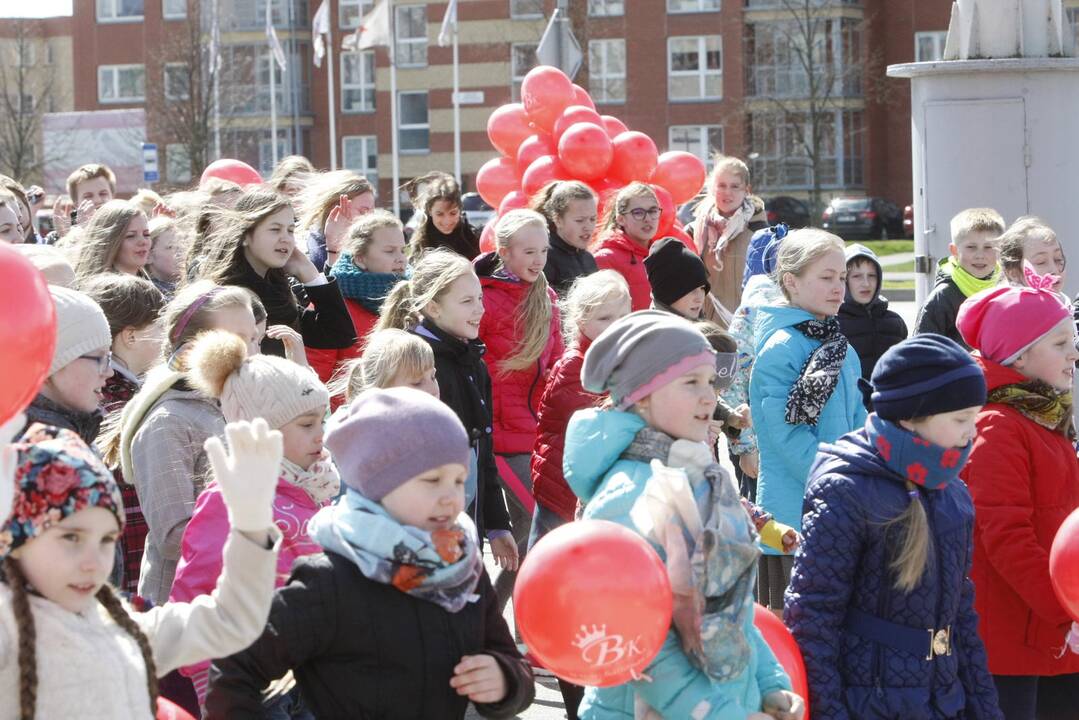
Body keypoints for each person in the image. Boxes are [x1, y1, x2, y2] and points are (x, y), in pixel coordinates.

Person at [205, 388, 536, 719]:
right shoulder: (330, 581)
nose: (451, 497)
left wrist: (505, 678)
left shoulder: (461, 565)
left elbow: (509, 658)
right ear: (379, 485)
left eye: (458, 479)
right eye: (432, 480)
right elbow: (236, 667)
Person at [564, 311, 804, 719]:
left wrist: (769, 685)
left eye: (710, 381)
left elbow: (733, 611)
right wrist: (723, 714)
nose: (710, 397)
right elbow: (638, 645)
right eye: (690, 382)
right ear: (641, 395)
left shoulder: (700, 477)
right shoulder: (630, 495)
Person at [0, 419, 285, 719]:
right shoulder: (7, 630)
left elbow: (231, 620)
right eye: (71, 537)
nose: (94, 562)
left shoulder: (123, 627)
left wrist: (250, 525)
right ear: (16, 538)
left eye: (107, 540)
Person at [785, 335, 1001, 719]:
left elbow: (961, 616)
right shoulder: (845, 490)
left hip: (943, 702)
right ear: (909, 417)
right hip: (869, 704)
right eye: (960, 419)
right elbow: (813, 618)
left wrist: (985, 708)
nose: (973, 432)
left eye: (975, 416)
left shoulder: (951, 492)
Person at [170, 330, 337, 709]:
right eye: (306, 425)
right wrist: (206, 672)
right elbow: (198, 582)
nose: (320, 435)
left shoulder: (315, 486)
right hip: (250, 671)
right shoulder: (231, 495)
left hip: (309, 664)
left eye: (321, 422)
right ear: (262, 429)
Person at [956, 279, 1079, 719]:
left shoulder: (1040, 413)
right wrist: (1064, 610)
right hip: (1014, 643)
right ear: (1020, 355)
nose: (1074, 355)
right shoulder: (998, 424)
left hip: (1052, 634)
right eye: (1061, 343)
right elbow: (1005, 536)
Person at [116, 282, 261, 606]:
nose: (250, 352)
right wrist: (262, 527)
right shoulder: (168, 422)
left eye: (253, 338)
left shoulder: (232, 405)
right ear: (191, 348)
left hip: (236, 596)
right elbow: (172, 535)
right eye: (235, 340)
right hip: (183, 606)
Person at [379, 249, 517, 571]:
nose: (480, 310)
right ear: (433, 306)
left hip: (466, 524)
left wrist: (496, 523)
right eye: (467, 301)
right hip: (428, 533)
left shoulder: (473, 362)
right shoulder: (417, 365)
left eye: (480, 299)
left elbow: (483, 450)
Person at [751, 229, 866, 609]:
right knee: (796, 633)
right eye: (826, 277)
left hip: (839, 506)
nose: (839, 288)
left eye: (842, 277)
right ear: (791, 282)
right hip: (792, 519)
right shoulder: (781, 349)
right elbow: (787, 437)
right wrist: (838, 479)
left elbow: (858, 419)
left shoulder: (839, 347)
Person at [474, 209, 563, 610]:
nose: (538, 260)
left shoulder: (547, 298)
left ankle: (498, 619)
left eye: (543, 250)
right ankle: (499, 618)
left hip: (537, 433)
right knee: (529, 533)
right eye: (528, 251)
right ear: (504, 251)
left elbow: (558, 361)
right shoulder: (482, 299)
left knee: (536, 534)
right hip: (499, 435)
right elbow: (475, 366)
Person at [196, 187, 355, 358]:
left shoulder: (278, 289)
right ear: (245, 236)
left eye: (290, 230)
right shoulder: (228, 297)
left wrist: (310, 274)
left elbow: (340, 334)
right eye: (275, 229)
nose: (285, 238)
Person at [307, 209, 408, 387]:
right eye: (390, 251)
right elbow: (313, 378)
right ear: (360, 258)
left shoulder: (415, 300)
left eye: (402, 250)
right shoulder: (330, 303)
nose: (401, 258)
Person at [726, 225, 788, 498]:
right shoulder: (758, 314)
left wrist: (744, 448)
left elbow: (731, 388)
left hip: (771, 440)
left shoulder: (750, 314)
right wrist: (747, 448)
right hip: (771, 440)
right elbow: (734, 385)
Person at [22, 286, 113, 445]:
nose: (109, 372)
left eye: (109, 358)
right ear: (50, 363)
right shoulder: (42, 449)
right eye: (99, 358)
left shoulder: (75, 429)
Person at [691, 154, 768, 325]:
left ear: (746, 190)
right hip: (706, 326)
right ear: (713, 188)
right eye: (722, 186)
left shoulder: (760, 232)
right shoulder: (695, 230)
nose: (727, 192)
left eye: (735, 186)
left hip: (747, 325)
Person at [915, 208, 1004, 348]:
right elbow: (922, 350)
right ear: (954, 251)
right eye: (971, 247)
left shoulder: (1006, 289)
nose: (980, 255)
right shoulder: (942, 298)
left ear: (1001, 250)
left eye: (988, 247)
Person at [837, 243, 908, 384]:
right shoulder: (834, 324)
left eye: (872, 275)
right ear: (844, 280)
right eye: (857, 276)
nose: (866, 283)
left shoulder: (894, 322)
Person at [593, 182, 661, 311]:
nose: (647, 219)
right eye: (638, 212)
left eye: (653, 211)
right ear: (620, 219)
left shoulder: (662, 254)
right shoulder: (605, 258)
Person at [297, 170, 376, 272]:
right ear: (335, 209)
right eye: (363, 211)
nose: (370, 218)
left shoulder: (370, 247)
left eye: (372, 211)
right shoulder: (308, 251)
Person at [531, 180, 599, 294]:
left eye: (592, 219)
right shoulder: (544, 258)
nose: (588, 227)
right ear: (558, 220)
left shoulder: (588, 258)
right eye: (579, 220)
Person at [72, 200, 153, 285]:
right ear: (108, 241)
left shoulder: (152, 285)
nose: (143, 241)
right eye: (130, 236)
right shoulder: (101, 292)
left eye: (146, 234)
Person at [407, 171, 481, 260]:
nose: (447, 221)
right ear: (430, 211)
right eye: (440, 214)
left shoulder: (473, 237)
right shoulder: (421, 242)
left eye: (453, 213)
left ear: (460, 210)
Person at [644, 236, 710, 320]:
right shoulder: (659, 331)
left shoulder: (698, 326)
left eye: (702, 288)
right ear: (669, 291)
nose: (700, 299)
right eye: (691, 289)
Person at [997, 217, 1067, 294]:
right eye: (1041, 262)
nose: (1054, 270)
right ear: (1014, 273)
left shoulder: (1063, 301)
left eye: (1058, 259)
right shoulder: (1012, 304)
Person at [146, 216, 184, 299]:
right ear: (148, 256)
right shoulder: (149, 296)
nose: (180, 252)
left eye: (181, 244)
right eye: (170, 247)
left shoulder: (192, 284)